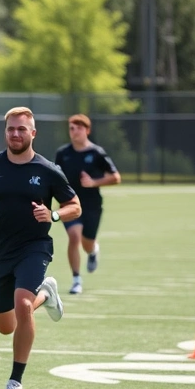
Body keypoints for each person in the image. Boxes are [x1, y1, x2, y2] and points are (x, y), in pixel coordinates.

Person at [0, 107, 80, 389]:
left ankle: (15, 382)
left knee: (22, 305)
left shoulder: (48, 170)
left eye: (22, 129)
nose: (15, 134)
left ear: (33, 133)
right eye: (11, 129)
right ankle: (46, 293)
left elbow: (74, 206)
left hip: (34, 247)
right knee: (6, 325)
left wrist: (53, 214)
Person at [54, 114, 121, 294]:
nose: (74, 131)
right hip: (68, 204)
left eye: (78, 128)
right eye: (71, 128)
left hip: (91, 205)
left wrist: (94, 182)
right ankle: (76, 280)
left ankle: (93, 251)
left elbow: (115, 177)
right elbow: (55, 177)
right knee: (74, 237)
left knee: (87, 243)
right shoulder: (63, 154)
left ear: (87, 130)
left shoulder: (96, 153)